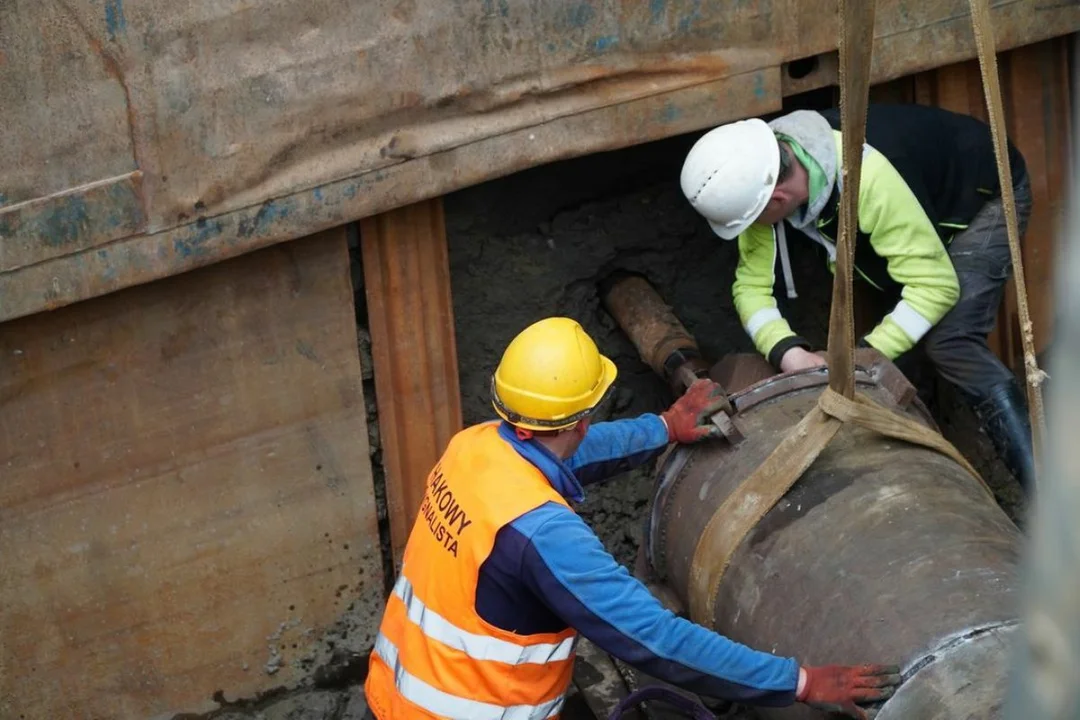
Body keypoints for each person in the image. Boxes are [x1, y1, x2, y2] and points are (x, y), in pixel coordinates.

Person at [364, 316, 900, 720]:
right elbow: (655, 638)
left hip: (394, 694)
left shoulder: (472, 448)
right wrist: (798, 681)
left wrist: (665, 427)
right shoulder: (545, 537)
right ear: (583, 415)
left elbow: (570, 451)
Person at [679, 103, 1036, 495]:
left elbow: (936, 288)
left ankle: (1040, 485)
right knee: (906, 320)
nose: (751, 229)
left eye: (751, 221)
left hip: (979, 196)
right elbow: (750, 286)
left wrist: (859, 360)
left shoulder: (869, 179)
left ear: (777, 200)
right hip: (915, 199)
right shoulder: (760, 168)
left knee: (949, 339)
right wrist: (788, 354)